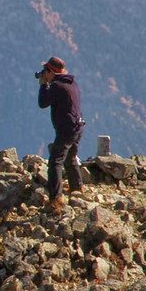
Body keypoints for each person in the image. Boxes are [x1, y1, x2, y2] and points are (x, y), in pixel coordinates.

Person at [37, 56, 85, 211]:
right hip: (77, 127)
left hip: (66, 130)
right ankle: (77, 188)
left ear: (51, 71)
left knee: (55, 161)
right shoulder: (71, 83)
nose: (44, 74)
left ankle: (55, 198)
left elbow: (43, 103)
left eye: (46, 71)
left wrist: (43, 86)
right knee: (70, 158)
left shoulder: (57, 86)